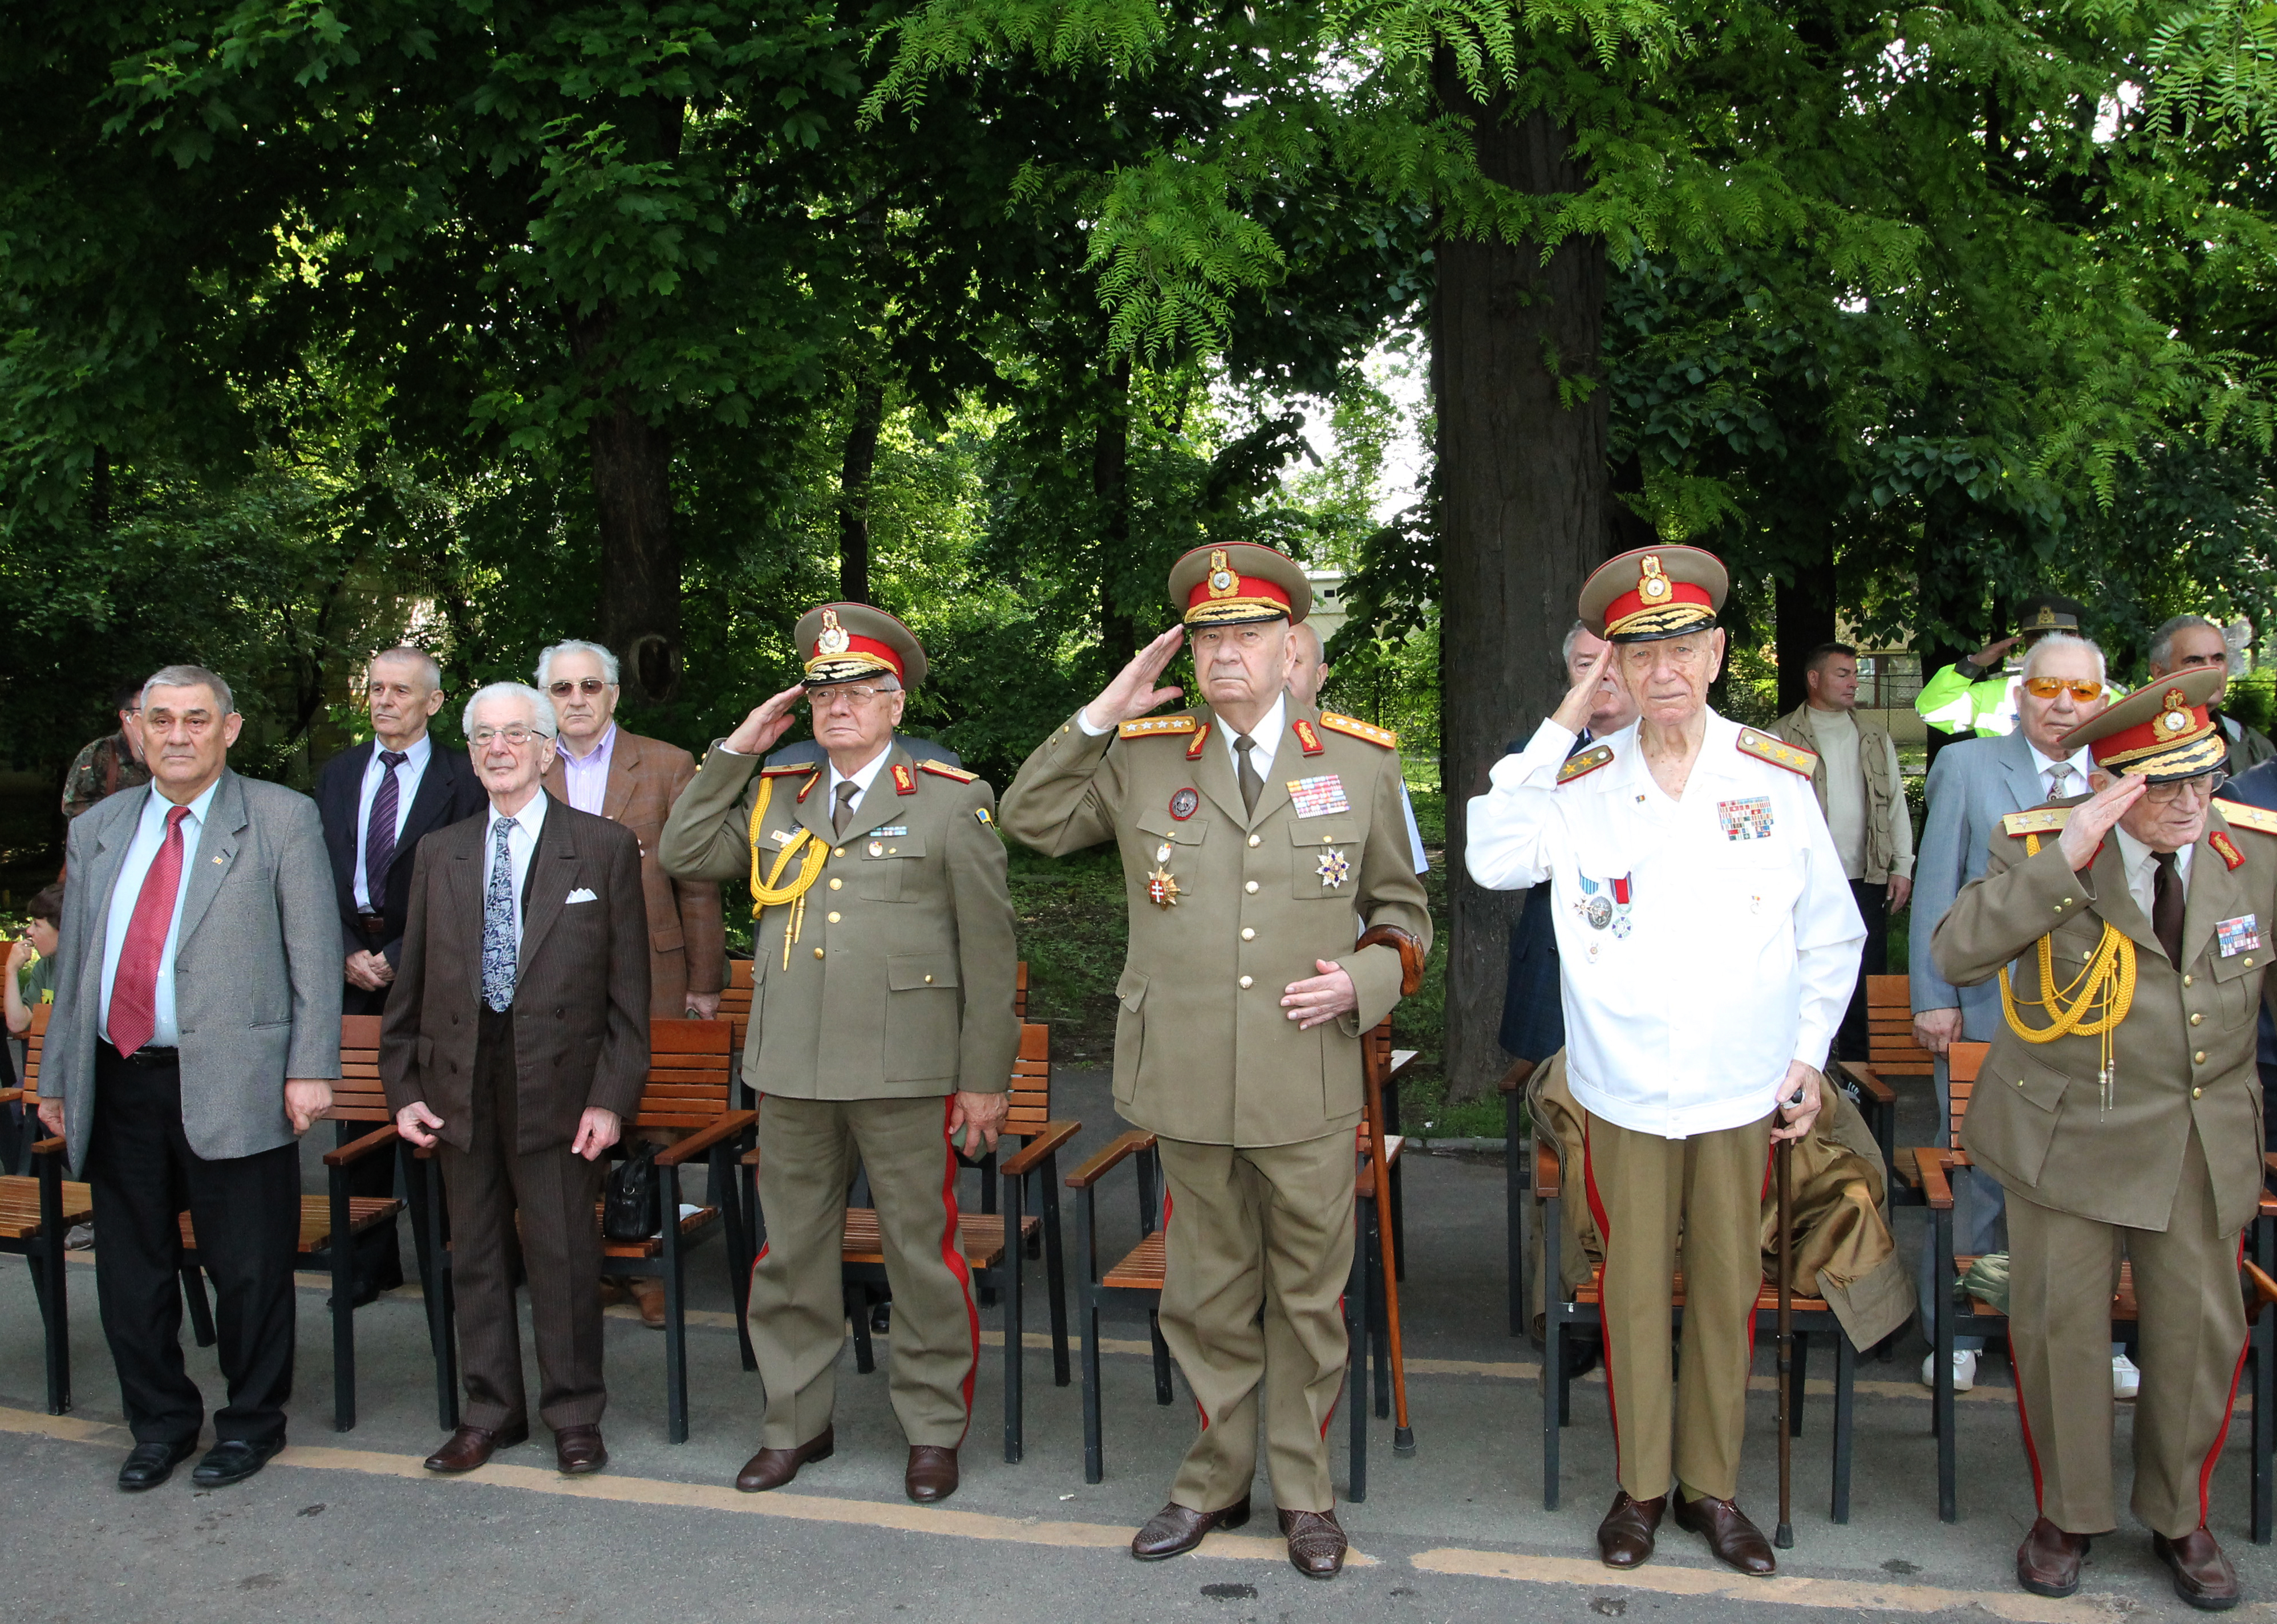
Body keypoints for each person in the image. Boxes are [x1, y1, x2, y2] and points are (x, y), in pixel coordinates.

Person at [1002, 542, 1432, 1580]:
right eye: (1207, 635)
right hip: (1187, 1078)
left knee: (1305, 1296)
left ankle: (1304, 1492)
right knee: (1201, 1294)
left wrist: (1362, 985)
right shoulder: (1144, 754)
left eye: (1247, 632)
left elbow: (1405, 917)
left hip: (1308, 1074)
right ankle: (1210, 1481)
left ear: (1295, 646)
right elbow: (1029, 819)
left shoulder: (1363, 762)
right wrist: (1103, 710)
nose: (1224, 651)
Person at [1465, 546, 1862, 1578]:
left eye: (1683, 646)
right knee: (1632, 1287)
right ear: (1615, 673)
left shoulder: (1773, 776)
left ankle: (1711, 1486)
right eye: (1640, 657)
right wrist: (1562, 719)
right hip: (1624, 1086)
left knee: (1728, 1287)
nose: (1665, 671)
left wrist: (1809, 1056)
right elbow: (1490, 853)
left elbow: (1830, 930)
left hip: (1741, 1085)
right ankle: (1640, 1484)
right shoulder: (1582, 779)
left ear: (1718, 652)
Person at [659, 603, 1019, 1506]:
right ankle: (794, 1425)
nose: (838, 707)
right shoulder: (776, 788)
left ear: (896, 703)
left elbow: (990, 952)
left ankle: (933, 1430)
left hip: (906, 1070)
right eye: (823, 692)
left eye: (859, 690)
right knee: (791, 1257)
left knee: (920, 1256)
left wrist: (984, 1081)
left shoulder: (949, 795)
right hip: (793, 1068)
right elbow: (684, 848)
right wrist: (738, 749)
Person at [1932, 667, 2272, 1610]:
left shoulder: (2256, 853)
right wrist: (2065, 859)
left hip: (2200, 1141)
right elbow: (1954, 951)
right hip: (2068, 1136)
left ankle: (2178, 1516)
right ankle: (2068, 1513)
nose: (2189, 801)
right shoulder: (2041, 845)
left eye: (2201, 775)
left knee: (2200, 1338)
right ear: (2112, 784)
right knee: (2057, 1333)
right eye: (2161, 784)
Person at [37, 665, 341, 1493]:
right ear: (136, 729)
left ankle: (251, 1424)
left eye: (196, 719)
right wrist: (57, 1075)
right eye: (160, 719)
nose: (177, 735)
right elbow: (79, 973)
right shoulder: (98, 828)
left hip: (235, 1081)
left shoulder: (281, 818)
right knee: (130, 1274)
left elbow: (314, 952)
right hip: (117, 1077)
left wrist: (312, 1068)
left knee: (246, 1268)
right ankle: (160, 1424)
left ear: (229, 730)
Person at [382, 682, 650, 1480]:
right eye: (483, 737)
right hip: (461, 1080)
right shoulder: (442, 850)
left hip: (563, 1087)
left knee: (566, 1253)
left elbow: (630, 995)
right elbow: (413, 984)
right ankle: (488, 1412)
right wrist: (405, 1090)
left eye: (515, 735)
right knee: (477, 1256)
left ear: (545, 750)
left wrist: (612, 1098)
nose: (498, 749)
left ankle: (573, 1415)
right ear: (472, 753)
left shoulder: (602, 847)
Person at [1909, 632, 2126, 1395]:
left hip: (2098, 1020)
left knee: (2092, 1172)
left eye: (2081, 691)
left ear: (2103, 700)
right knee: (1976, 1170)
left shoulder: (2123, 776)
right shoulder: (1969, 767)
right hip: (1983, 1008)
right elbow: (1937, 885)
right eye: (2046, 688)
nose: (2063, 705)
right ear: (2019, 694)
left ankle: (2095, 1334)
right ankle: (1959, 1330)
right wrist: (1933, 997)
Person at [534, 638, 726, 1327]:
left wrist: (704, 983)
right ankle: (588, 1267)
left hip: (653, 967)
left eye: (590, 686)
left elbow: (697, 884)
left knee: (652, 1124)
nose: (577, 700)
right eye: (562, 689)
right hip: (553, 981)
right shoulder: (523, 762)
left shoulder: (669, 764)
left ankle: (651, 1269)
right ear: (545, 700)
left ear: (613, 694)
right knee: (567, 1122)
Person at [312, 647, 486, 1305]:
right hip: (353, 955)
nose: (385, 701)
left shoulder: (462, 778)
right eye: (377, 688)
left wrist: (406, 948)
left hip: (434, 959)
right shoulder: (338, 773)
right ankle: (365, 1263)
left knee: (436, 1111)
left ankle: (451, 1262)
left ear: (434, 703)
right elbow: (313, 873)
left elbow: (472, 877)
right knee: (359, 1119)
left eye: (401, 691)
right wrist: (344, 949)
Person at [1499, 623, 1639, 1083]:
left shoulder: (1674, 757)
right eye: (1587, 664)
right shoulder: (1531, 758)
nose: (1603, 675)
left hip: (1643, 974)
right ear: (1569, 677)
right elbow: (1498, 858)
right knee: (1557, 1129)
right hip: (1554, 969)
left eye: (1615, 662)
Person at [1770, 643, 1915, 1063]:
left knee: (1865, 978)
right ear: (1814, 680)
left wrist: (1901, 865)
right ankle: (1796, 1069)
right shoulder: (1778, 736)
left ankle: (1860, 1074)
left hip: (1865, 878)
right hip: (1803, 883)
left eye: (1855, 674)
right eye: (1843, 674)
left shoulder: (1874, 735)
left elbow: (1897, 803)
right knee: (1798, 976)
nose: (1854, 682)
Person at [1284, 621, 1429, 872]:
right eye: (1274, 660)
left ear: (1320, 677)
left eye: (1295, 662)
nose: (1282, 672)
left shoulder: (1366, 759)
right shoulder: (1234, 752)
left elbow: (1406, 877)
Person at [1915, 594, 2123, 738]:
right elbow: (1932, 711)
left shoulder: (2106, 695)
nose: (2047, 643)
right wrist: (1974, 663)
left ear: (2077, 637)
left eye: (2059, 634)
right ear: (2025, 642)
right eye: (2037, 636)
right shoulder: (1995, 693)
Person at [2146, 615, 2274, 777]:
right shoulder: (2131, 745)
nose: (2211, 671)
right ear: (2159, 672)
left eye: (2218, 659)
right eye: (2194, 661)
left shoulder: (2255, 747)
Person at [3, 883, 63, 1170]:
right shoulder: (45, 968)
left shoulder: (88, 970)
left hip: (69, 1079)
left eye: (37, 925)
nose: (29, 931)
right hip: (43, 1074)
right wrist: (12, 971)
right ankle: (30, 1185)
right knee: (12, 1108)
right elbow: (17, 1023)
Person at [60, 680, 151, 820]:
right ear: (126, 716)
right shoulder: (99, 753)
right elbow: (73, 807)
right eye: (144, 709)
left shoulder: (168, 751)